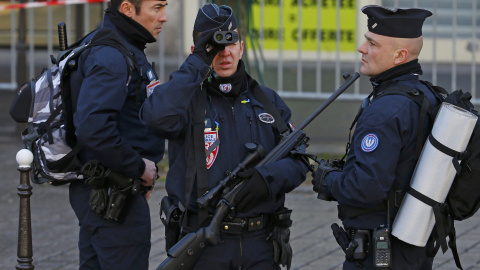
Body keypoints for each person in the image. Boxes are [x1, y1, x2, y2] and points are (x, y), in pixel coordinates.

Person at [140, 4, 309, 270]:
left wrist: (267, 180)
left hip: (261, 242)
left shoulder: (266, 100)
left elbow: (300, 161)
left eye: (231, 41)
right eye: (213, 45)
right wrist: (196, 62)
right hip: (206, 244)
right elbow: (153, 117)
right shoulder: (185, 101)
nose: (224, 52)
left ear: (241, 45)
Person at [312, 5, 437, 270]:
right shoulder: (426, 95)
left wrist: (327, 180)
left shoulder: (385, 111)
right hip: (414, 243)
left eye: (372, 43)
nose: (361, 48)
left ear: (400, 55)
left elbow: (365, 187)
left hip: (382, 251)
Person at [67, 0, 168, 269]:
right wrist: (137, 167)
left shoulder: (122, 46)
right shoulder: (111, 55)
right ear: (127, 8)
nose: (164, 17)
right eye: (157, 8)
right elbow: (93, 127)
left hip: (109, 191)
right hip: (111, 195)